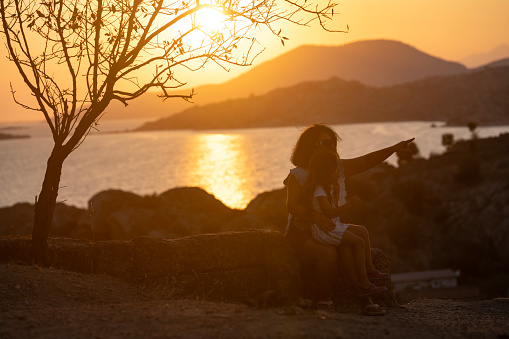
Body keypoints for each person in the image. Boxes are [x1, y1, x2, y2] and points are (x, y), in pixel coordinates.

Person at [284, 123, 414, 315]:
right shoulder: (298, 174)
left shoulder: (335, 168)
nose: (331, 147)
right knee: (329, 253)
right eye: (325, 143)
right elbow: (291, 206)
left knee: (349, 242)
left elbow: (365, 161)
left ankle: (365, 299)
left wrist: (394, 148)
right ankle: (324, 300)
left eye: (333, 143)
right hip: (302, 230)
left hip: (329, 225)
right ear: (311, 144)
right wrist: (315, 217)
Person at [302, 149, 388, 299]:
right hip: (324, 229)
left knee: (362, 230)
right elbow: (329, 213)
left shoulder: (328, 187)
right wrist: (349, 205)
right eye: (335, 168)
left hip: (332, 225)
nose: (338, 171)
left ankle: (370, 269)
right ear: (326, 171)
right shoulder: (320, 190)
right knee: (358, 242)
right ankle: (363, 282)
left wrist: (336, 188)